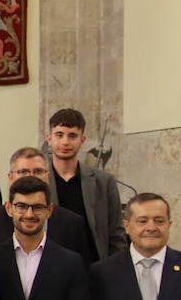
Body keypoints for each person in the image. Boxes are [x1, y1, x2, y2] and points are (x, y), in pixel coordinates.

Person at [0, 147, 90, 258]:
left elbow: (80, 271)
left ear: (48, 177)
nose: (31, 177)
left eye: (38, 171)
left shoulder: (72, 223)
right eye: (23, 171)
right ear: (10, 177)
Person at [46, 108, 126, 263]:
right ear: (49, 138)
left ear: (82, 140)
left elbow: (116, 233)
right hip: (52, 267)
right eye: (59, 135)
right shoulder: (38, 181)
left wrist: (114, 270)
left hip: (93, 267)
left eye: (72, 136)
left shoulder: (104, 181)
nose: (65, 142)